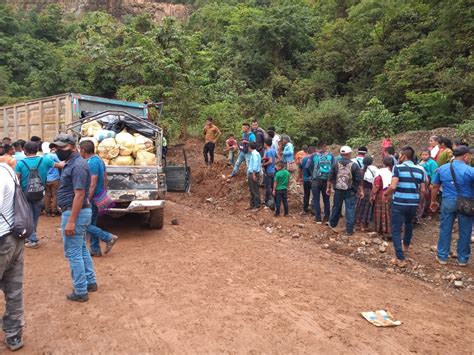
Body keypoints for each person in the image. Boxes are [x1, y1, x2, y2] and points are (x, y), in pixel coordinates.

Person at [52, 134, 97, 302]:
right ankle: (90, 282)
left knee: (73, 253)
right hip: (78, 212)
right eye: (56, 147)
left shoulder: (78, 165)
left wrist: (71, 220)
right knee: (81, 249)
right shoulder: (73, 163)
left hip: (74, 213)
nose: (58, 150)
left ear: (72, 147)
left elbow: (79, 195)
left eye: (62, 147)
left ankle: (80, 290)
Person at [430, 146, 473, 266]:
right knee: (465, 230)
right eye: (469, 155)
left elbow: (435, 186)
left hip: (448, 201)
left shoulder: (442, 169)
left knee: (445, 229)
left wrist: (433, 201)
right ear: (465, 156)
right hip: (466, 202)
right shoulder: (470, 170)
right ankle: (463, 259)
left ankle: (442, 256)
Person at [15, 141, 62, 248]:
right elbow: (59, 165)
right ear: (37, 150)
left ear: (25, 151)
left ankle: (32, 239)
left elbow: (16, 179)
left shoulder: (21, 163)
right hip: (40, 192)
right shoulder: (45, 160)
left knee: (28, 216)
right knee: (35, 216)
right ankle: (31, 235)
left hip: (25, 194)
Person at [384, 146, 426, 266]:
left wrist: (386, 194)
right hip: (413, 203)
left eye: (400, 155)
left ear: (404, 156)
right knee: (409, 225)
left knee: (396, 229)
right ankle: (406, 247)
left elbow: (392, 186)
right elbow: (423, 190)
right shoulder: (420, 170)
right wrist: (418, 201)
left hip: (399, 203)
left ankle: (400, 257)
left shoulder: (397, 168)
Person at [0, 162, 25, 351]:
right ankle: (14, 334)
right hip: (15, 236)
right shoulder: (7, 169)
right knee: (14, 289)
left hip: (2, 241)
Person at [79, 140, 119, 257]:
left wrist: (87, 198)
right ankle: (95, 249)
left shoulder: (91, 163)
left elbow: (93, 182)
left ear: (83, 151)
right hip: (99, 196)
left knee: (83, 224)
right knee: (92, 223)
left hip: (92, 197)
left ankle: (108, 237)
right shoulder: (99, 160)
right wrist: (104, 191)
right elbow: (105, 177)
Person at [327, 146, 362, 236]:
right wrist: (361, 191)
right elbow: (358, 180)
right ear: (349, 154)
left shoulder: (335, 164)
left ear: (341, 154)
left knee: (336, 207)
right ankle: (349, 230)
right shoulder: (354, 165)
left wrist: (328, 188)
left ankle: (332, 224)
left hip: (338, 190)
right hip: (350, 191)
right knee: (350, 209)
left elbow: (330, 177)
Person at [307, 141, 334, 224]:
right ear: (325, 147)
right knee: (326, 200)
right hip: (327, 181)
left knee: (316, 199)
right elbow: (334, 168)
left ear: (318, 147)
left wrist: (311, 175)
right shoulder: (330, 156)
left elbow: (307, 167)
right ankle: (327, 218)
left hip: (316, 180)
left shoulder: (313, 156)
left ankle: (318, 218)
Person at [371, 157, 394, 238]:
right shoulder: (392, 173)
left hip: (381, 195)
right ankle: (389, 229)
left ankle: (380, 230)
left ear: (383, 163)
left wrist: (373, 193)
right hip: (390, 195)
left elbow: (377, 186)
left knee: (380, 212)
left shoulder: (380, 172)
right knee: (388, 212)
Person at [355, 156, 378, 232]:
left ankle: (359, 223)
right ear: (372, 162)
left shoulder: (361, 170)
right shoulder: (375, 169)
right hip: (370, 190)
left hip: (361, 190)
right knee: (367, 209)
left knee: (360, 207)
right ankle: (365, 225)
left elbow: (358, 182)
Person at [42, 142, 61, 217]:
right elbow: (60, 163)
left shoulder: (41, 157)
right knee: (55, 195)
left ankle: (47, 211)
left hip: (46, 179)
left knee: (47, 195)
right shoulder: (53, 156)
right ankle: (54, 211)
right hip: (55, 178)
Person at [246, 142, 261, 211]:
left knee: (254, 189)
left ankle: (257, 206)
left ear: (250, 147)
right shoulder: (255, 153)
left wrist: (254, 174)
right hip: (252, 173)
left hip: (253, 173)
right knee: (252, 189)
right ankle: (252, 204)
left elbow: (255, 164)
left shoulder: (254, 154)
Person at [300, 146, 314, 215]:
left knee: (306, 194)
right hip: (313, 180)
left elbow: (300, 169)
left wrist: (299, 177)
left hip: (305, 180)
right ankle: (313, 209)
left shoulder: (303, 159)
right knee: (314, 194)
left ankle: (305, 209)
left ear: (307, 152)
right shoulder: (315, 159)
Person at [262, 138, 277, 206]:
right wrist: (275, 164)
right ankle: (274, 201)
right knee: (272, 186)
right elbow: (278, 158)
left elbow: (270, 161)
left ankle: (267, 201)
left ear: (265, 144)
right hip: (273, 170)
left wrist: (263, 164)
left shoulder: (268, 151)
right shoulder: (273, 150)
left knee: (268, 187)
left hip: (269, 171)